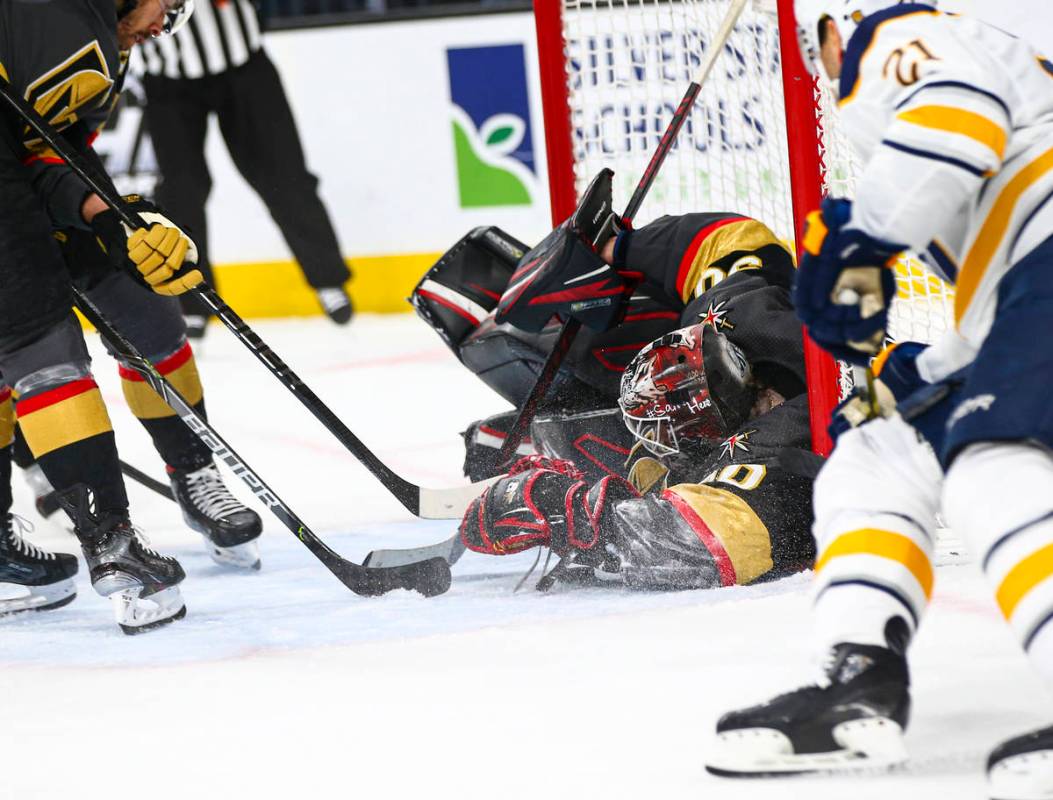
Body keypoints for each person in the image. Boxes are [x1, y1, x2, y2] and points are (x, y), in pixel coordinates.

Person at [706, 2, 1053, 796]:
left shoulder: (897, 33)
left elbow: (958, 112)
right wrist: (915, 373)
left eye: (816, 54)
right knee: (879, 449)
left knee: (988, 461)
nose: (824, 73)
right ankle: (857, 682)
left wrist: (860, 240)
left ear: (832, 26)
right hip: (1016, 304)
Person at [0, 0, 262, 633]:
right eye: (168, 10)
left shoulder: (100, 33)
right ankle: (115, 549)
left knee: (140, 298)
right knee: (36, 341)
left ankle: (193, 474)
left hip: (25, 166)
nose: (161, 29)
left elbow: (47, 151)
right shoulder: (54, 20)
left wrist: (108, 220)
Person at [419, 203, 819, 590]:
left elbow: (699, 544)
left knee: (666, 469)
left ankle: (583, 442)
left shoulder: (781, 454)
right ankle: (577, 435)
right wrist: (616, 247)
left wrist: (565, 510)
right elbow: (731, 239)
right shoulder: (734, 314)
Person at [137, 0, 354, 336]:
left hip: (243, 65)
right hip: (168, 79)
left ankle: (327, 278)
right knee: (181, 191)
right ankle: (193, 299)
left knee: (284, 175)